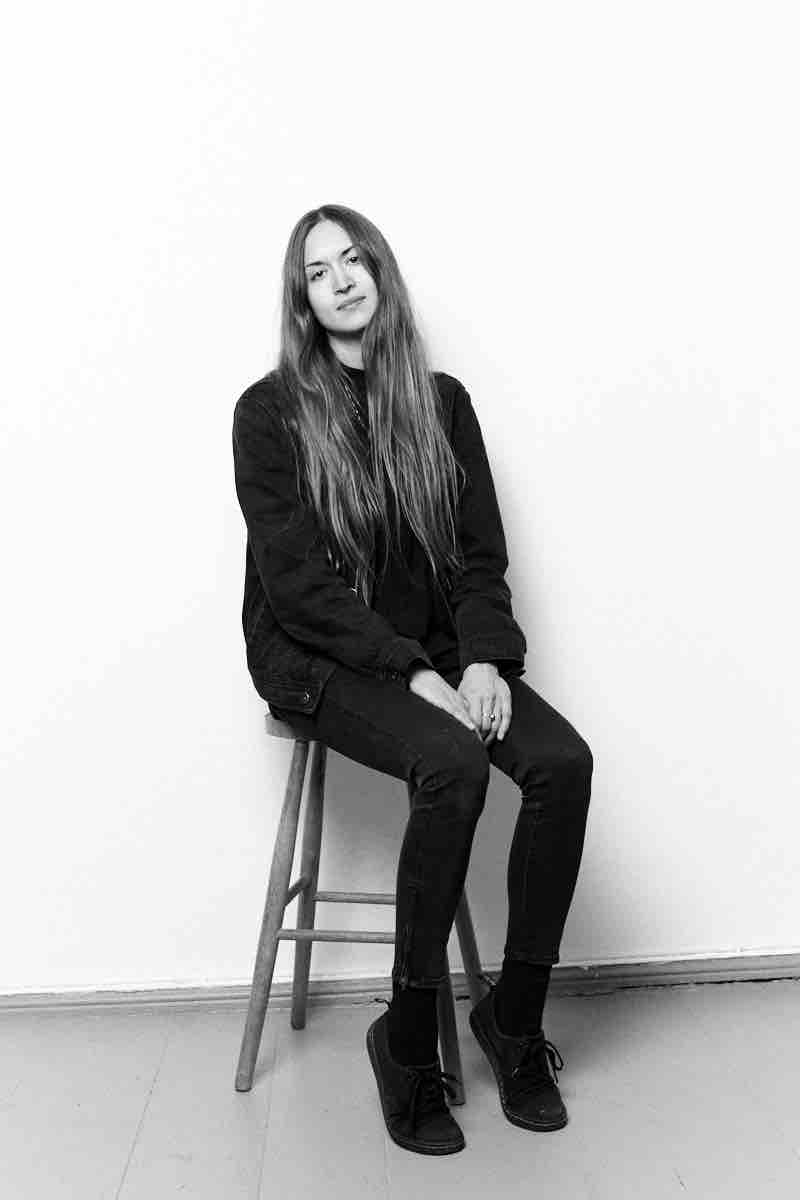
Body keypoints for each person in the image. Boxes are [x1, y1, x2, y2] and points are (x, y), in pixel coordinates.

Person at [232, 204, 593, 1156]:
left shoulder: (442, 402)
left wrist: (481, 660)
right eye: (318, 272)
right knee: (452, 764)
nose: (341, 280)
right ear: (303, 302)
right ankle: (406, 1040)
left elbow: (478, 554)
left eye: (354, 260)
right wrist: (410, 672)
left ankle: (514, 1020)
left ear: (381, 273)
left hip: (439, 649)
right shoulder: (268, 414)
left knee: (563, 764)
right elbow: (297, 588)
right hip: (316, 656)